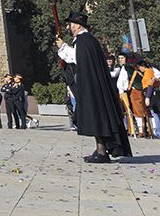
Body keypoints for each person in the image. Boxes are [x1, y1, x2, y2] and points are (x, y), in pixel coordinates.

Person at [55, 11, 133, 162]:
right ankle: (100, 149)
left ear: (77, 25)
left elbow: (78, 59)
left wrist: (62, 47)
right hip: (95, 85)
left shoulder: (83, 40)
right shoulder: (87, 40)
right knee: (98, 117)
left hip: (93, 88)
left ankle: (102, 152)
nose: (69, 27)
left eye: (70, 24)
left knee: (97, 117)